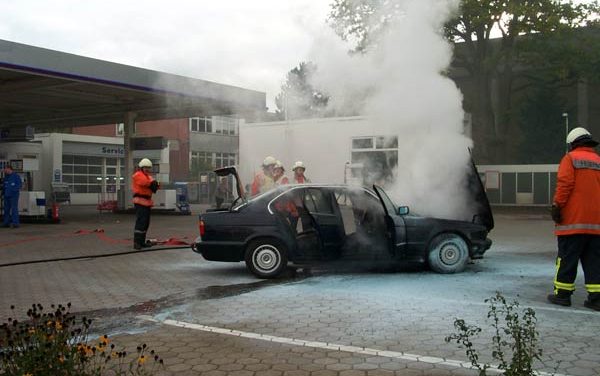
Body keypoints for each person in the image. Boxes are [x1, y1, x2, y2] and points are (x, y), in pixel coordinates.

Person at [547, 127, 600, 311]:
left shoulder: (570, 159)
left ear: (573, 144)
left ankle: (562, 295)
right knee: (594, 261)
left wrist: (557, 206)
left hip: (573, 223)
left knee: (567, 259)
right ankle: (596, 299)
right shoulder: (599, 161)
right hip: (596, 225)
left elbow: (565, 184)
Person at [132, 158, 160, 250]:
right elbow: (144, 182)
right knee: (141, 222)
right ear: (141, 167)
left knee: (145, 223)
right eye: (145, 167)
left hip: (146, 202)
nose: (147, 169)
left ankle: (142, 242)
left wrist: (156, 184)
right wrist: (153, 183)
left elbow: (155, 185)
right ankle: (137, 243)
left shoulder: (148, 176)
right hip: (140, 201)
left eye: (148, 167)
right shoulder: (138, 175)